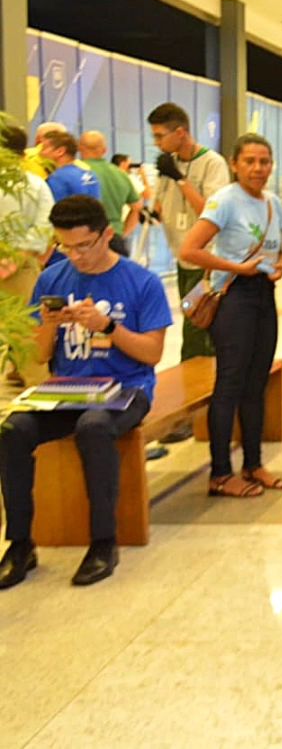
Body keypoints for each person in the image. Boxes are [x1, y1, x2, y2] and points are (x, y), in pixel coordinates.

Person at [0, 195, 170, 589]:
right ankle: (20, 543)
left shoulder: (141, 281)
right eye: (65, 247)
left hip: (127, 388)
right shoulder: (52, 279)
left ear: (106, 235)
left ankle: (103, 542)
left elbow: (152, 353)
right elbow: (39, 355)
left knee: (94, 427)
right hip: (68, 389)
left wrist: (107, 327)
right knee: (12, 429)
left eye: (83, 246)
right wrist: (49, 324)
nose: (75, 256)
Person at [178, 134, 282, 498]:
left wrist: (280, 264)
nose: (258, 168)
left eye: (264, 161)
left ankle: (253, 463)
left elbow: (279, 250)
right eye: (250, 161)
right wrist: (236, 268)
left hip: (264, 296)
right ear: (234, 164)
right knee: (230, 384)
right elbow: (190, 250)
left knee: (256, 383)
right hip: (234, 298)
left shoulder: (273, 202)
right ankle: (221, 473)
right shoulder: (224, 200)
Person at [148, 103, 231, 360]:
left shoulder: (212, 163)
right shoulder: (168, 163)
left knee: (197, 323)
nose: (157, 143)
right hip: (182, 258)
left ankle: (199, 374)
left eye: (160, 136)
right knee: (190, 317)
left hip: (204, 259)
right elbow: (160, 206)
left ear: (180, 132)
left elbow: (211, 213)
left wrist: (180, 179)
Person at [0, 124, 55, 386]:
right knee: (27, 335)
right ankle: (37, 393)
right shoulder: (36, 184)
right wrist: (19, 257)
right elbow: (46, 225)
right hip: (21, 267)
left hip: (18, 266)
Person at [78, 132, 141, 257]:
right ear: (104, 150)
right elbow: (137, 208)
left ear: (79, 148)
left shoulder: (75, 172)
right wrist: (122, 233)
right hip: (114, 236)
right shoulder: (120, 174)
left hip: (83, 240)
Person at [41, 131, 100, 204]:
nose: (41, 153)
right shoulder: (90, 174)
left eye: (44, 148)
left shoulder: (57, 178)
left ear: (60, 151)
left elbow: (55, 208)